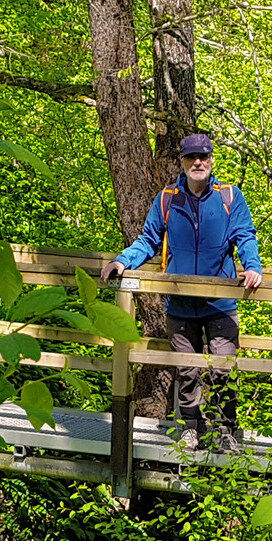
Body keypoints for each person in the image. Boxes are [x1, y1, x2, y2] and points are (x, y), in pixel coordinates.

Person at [101, 133, 263, 452]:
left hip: (220, 303)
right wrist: (122, 261)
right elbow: (148, 240)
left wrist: (253, 266)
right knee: (187, 371)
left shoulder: (229, 197)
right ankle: (192, 427)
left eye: (203, 156)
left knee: (222, 367)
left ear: (212, 160)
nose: (198, 162)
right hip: (180, 305)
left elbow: (245, 236)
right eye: (191, 157)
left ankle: (225, 431)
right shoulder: (167, 198)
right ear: (182, 162)